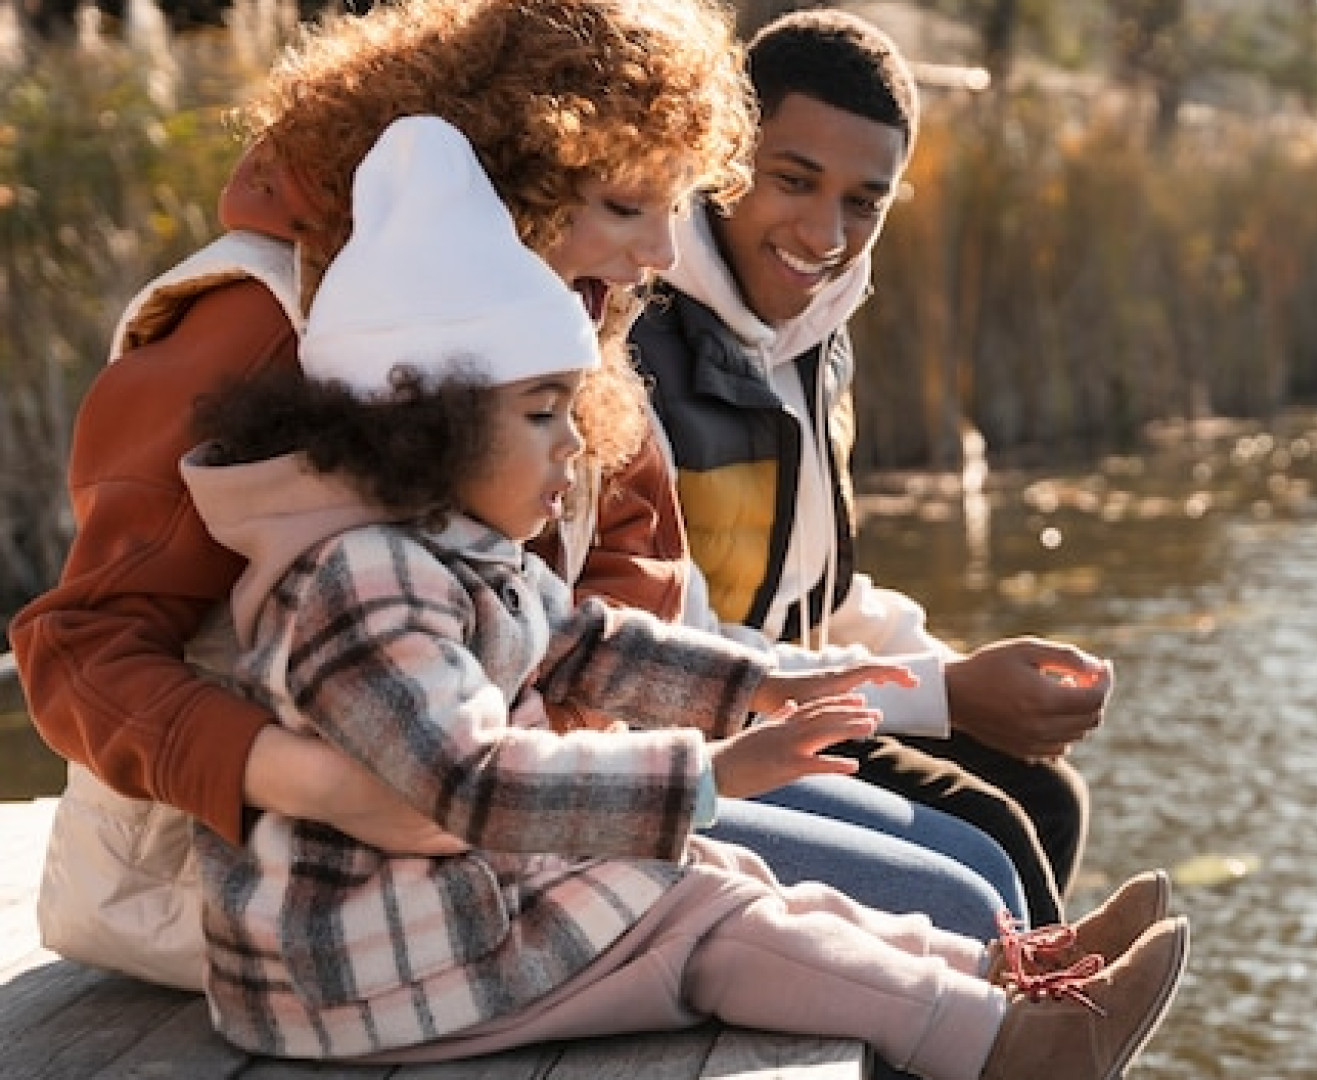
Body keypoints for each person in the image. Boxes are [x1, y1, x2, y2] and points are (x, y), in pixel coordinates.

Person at [7, 0, 1019, 990]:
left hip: (508, 830)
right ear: (498, 180)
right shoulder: (258, 327)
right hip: (272, 894)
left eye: (674, 204)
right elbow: (80, 649)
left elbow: (626, 587)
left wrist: (544, 767)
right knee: (958, 908)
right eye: (625, 207)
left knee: (977, 866)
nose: (664, 255)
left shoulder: (571, 320)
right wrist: (313, 778)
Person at [178, 113, 1188, 1079]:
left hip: (443, 916)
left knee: (725, 882)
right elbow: (472, 785)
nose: (574, 445)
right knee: (708, 919)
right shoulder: (361, 582)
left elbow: (589, 646)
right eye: (541, 414)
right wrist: (713, 775)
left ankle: (998, 976)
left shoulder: (453, 549)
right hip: (364, 968)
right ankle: (1004, 1047)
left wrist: (767, 689)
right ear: (422, 423)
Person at [629, 9, 1104, 926]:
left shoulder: (814, 342)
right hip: (700, 732)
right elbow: (674, 652)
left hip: (795, 698)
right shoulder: (640, 349)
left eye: (863, 201)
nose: (825, 231)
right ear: (727, 154)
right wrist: (948, 697)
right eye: (794, 181)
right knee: (992, 831)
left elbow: (817, 597)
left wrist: (956, 673)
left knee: (1048, 797)